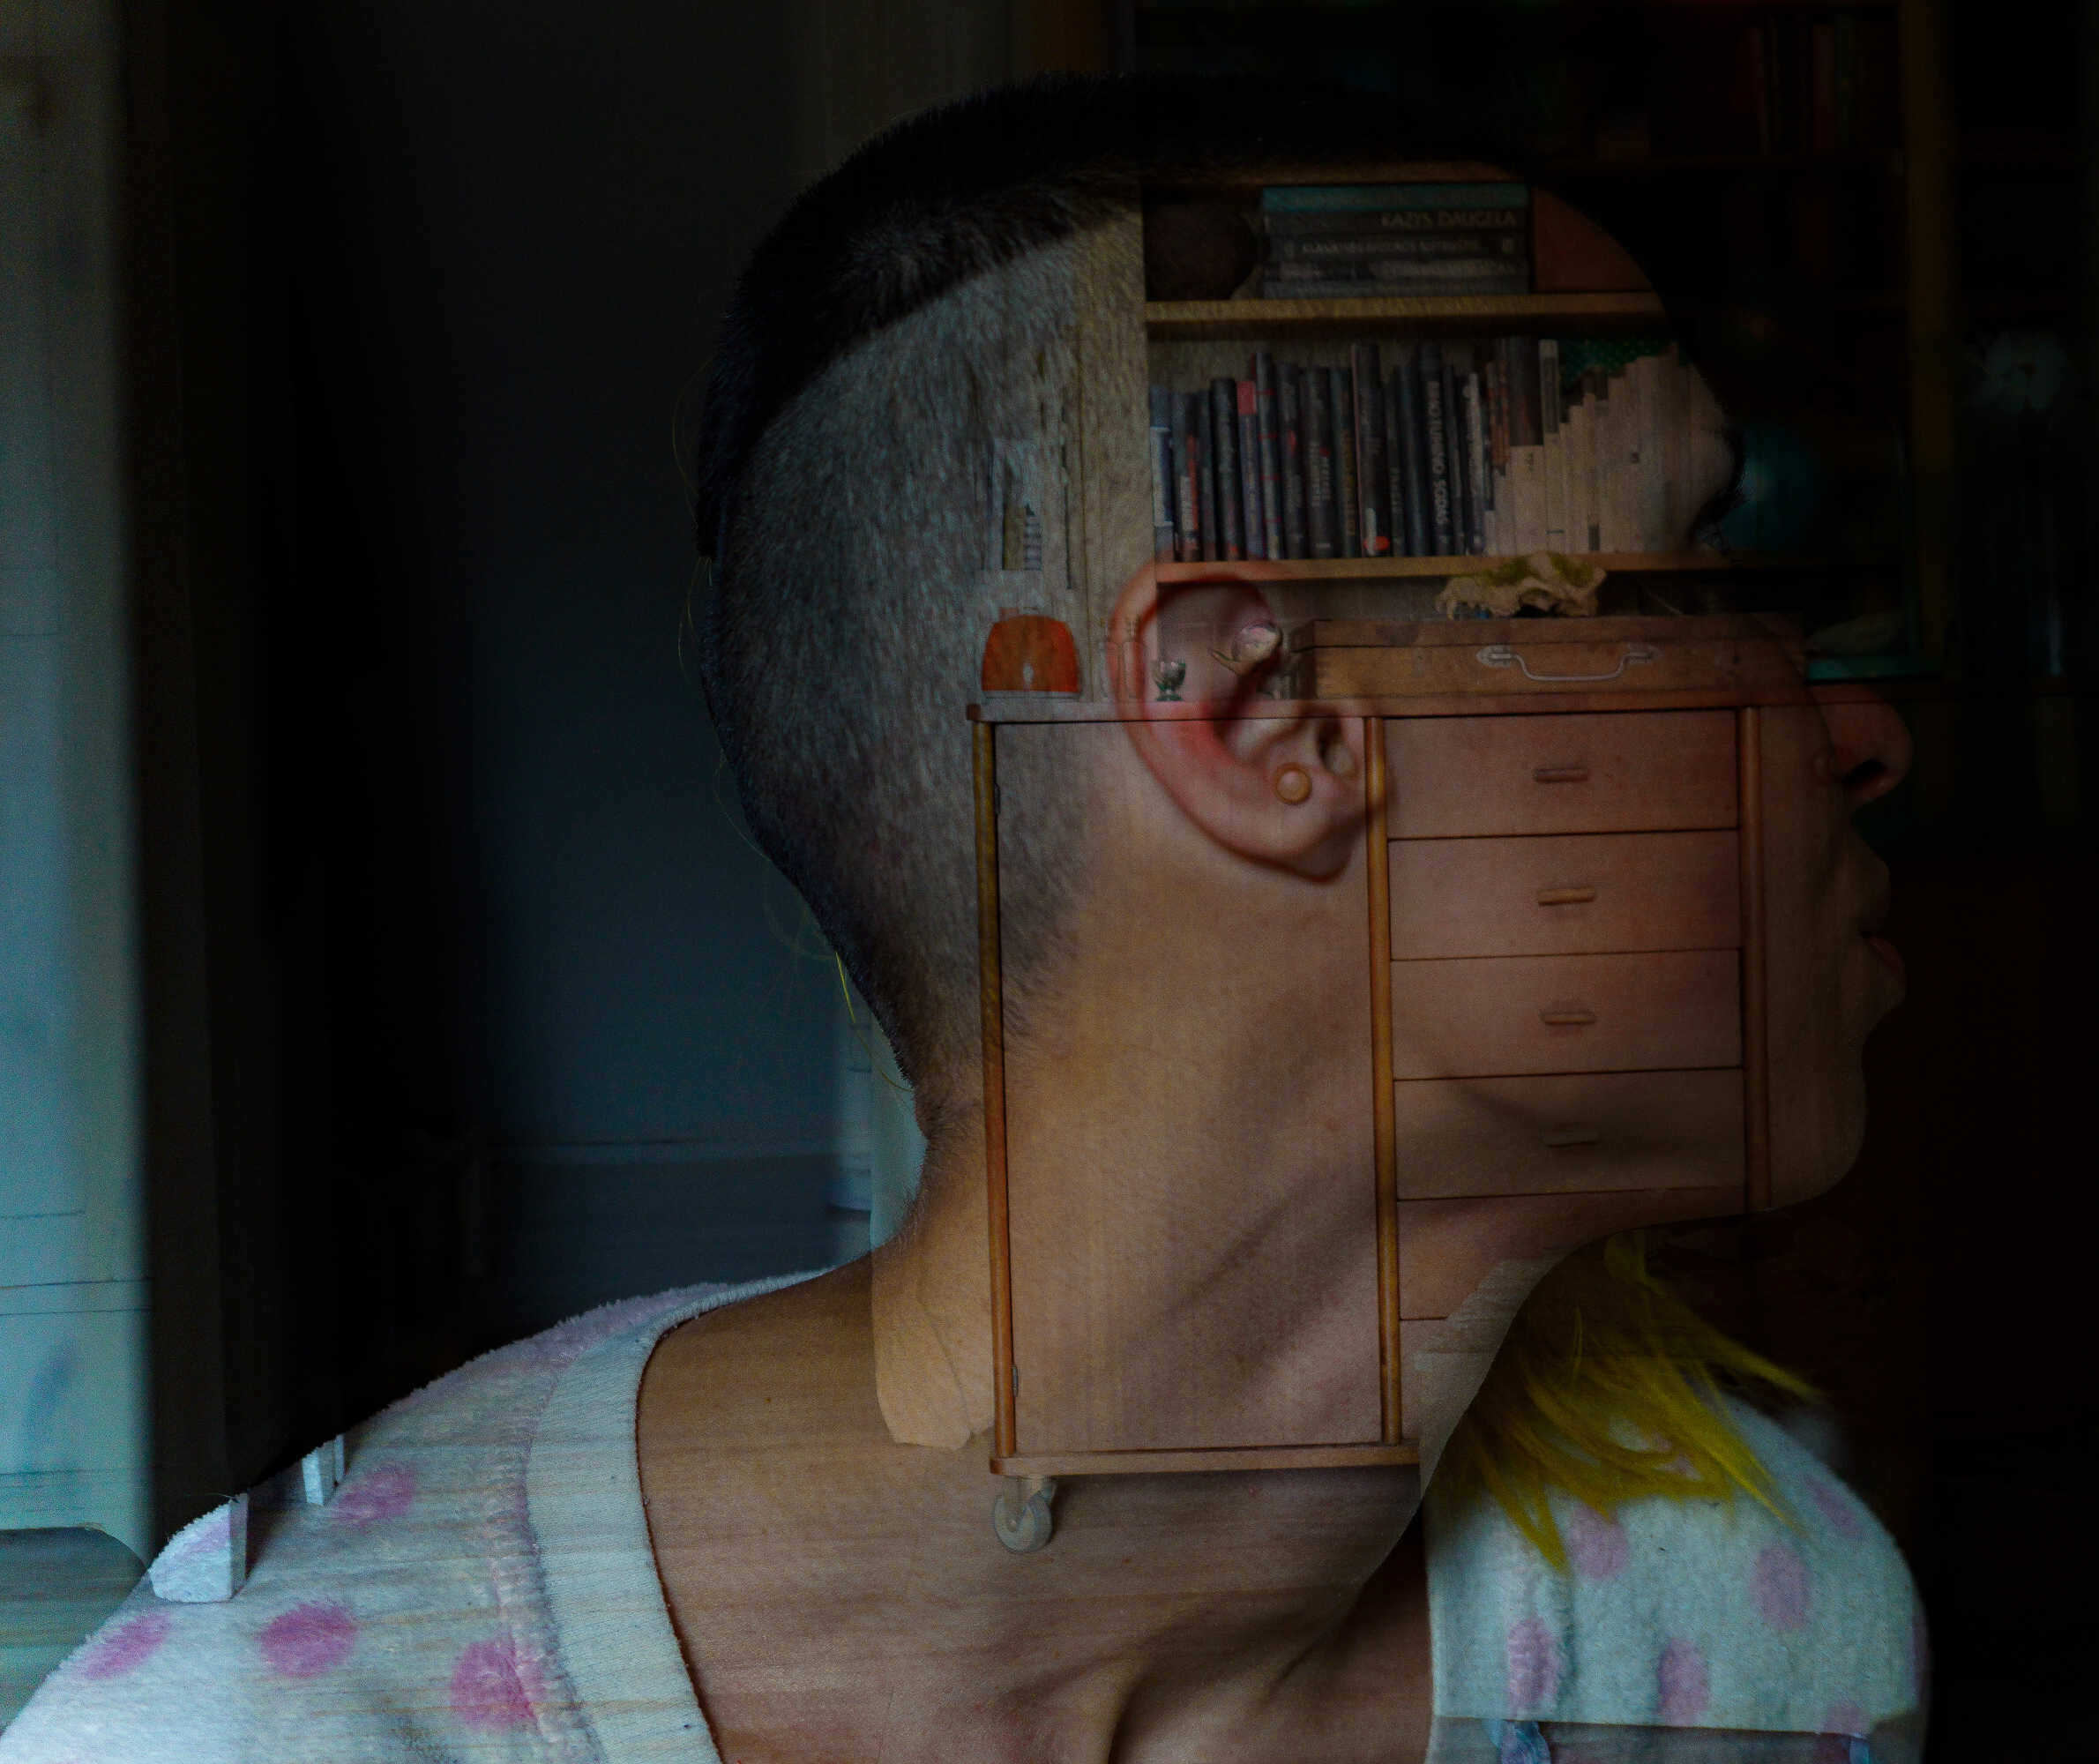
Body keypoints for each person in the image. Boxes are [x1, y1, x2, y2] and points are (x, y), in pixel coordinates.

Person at [0, 73, 1918, 1764]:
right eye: (1688, 564)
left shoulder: (1745, 1641)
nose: (1862, 730)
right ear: (1266, 713)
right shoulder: (266, 1736)